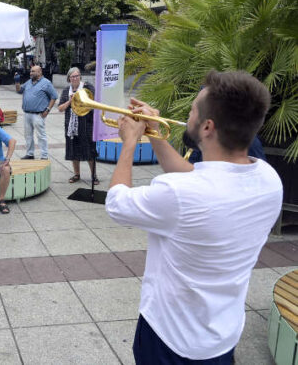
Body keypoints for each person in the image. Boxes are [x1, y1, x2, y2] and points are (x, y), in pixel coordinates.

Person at [105, 70, 283, 364]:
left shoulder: (180, 194)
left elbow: (117, 203)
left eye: (192, 111)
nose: (188, 115)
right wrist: (153, 133)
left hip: (170, 338)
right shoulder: (268, 179)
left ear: (207, 127)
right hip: (222, 335)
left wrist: (129, 142)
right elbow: (196, 179)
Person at [57, 67, 98, 184]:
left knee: (89, 149)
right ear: (69, 78)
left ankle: (94, 175)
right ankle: (77, 174)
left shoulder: (87, 87)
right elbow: (60, 108)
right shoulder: (66, 91)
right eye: (72, 76)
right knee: (73, 150)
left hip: (86, 124)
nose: (75, 78)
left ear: (80, 76)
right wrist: (70, 101)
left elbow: (94, 103)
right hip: (71, 126)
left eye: (77, 76)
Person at [15, 65, 58, 160]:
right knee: (28, 135)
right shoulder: (28, 82)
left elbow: (54, 96)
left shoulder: (46, 83)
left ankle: (44, 155)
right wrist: (17, 81)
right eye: (30, 71)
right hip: (27, 114)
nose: (31, 73)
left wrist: (48, 109)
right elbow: (19, 91)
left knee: (41, 135)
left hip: (38, 114)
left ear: (40, 72)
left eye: (33, 71)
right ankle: (30, 153)